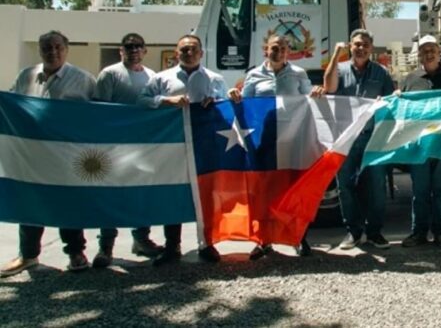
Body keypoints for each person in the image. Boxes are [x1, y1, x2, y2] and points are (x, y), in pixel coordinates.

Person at [0, 31, 96, 277]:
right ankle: (28, 255)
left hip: (66, 157)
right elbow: (12, 105)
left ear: (66, 48)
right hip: (31, 156)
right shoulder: (26, 76)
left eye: (57, 47)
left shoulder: (83, 79)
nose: (52, 52)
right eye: (46, 48)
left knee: (68, 205)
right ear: (40, 50)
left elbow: (97, 117)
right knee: (30, 204)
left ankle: (76, 252)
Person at [139, 34, 228, 266]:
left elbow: (226, 104)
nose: (189, 53)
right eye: (184, 50)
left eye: (193, 49)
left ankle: (207, 243)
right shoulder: (162, 78)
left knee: (205, 195)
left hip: (204, 144)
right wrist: (164, 101)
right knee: (173, 193)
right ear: (177, 53)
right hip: (172, 144)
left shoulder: (214, 78)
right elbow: (142, 101)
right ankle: (172, 246)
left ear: (201, 53)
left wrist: (215, 100)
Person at [228, 34, 317, 258]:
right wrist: (235, 95)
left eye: (284, 48)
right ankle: (263, 240)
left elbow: (309, 99)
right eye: (274, 48)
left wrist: (317, 92)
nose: (279, 52)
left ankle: (298, 238)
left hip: (292, 141)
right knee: (264, 191)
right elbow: (246, 104)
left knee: (293, 190)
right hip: (265, 141)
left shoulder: (298, 74)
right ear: (265, 50)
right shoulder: (254, 75)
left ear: (289, 51)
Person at [91, 33, 164, 268]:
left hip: (142, 146)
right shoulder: (110, 74)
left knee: (141, 194)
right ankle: (106, 247)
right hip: (113, 146)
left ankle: (141, 239)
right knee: (111, 194)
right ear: (121, 50)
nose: (133, 50)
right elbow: (99, 110)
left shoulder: (152, 76)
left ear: (144, 51)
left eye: (138, 47)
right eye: (128, 46)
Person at [322, 29, 395, 250]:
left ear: (371, 47)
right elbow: (329, 88)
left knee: (376, 187)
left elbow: (391, 102)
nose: (360, 48)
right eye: (356, 44)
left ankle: (374, 232)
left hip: (373, 138)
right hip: (346, 140)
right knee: (345, 186)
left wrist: (388, 101)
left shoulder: (381, 73)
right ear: (350, 47)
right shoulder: (340, 69)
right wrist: (335, 55)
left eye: (364, 44)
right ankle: (353, 232)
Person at [399, 35, 441, 249]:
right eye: (424, 50)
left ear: (439, 53)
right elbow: (403, 111)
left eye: (432, 50)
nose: (429, 54)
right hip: (420, 145)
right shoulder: (410, 79)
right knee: (420, 191)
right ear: (419, 54)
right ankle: (418, 232)